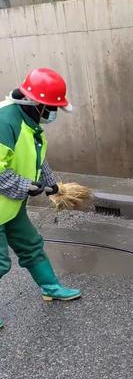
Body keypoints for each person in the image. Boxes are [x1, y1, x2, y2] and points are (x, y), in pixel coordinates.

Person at [0, 68, 81, 329]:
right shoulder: (5, 123)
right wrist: (26, 186)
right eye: (50, 107)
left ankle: (51, 288)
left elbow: (37, 158)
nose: (52, 113)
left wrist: (52, 185)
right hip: (6, 199)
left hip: (8, 206)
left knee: (31, 245)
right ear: (36, 103)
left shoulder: (30, 122)